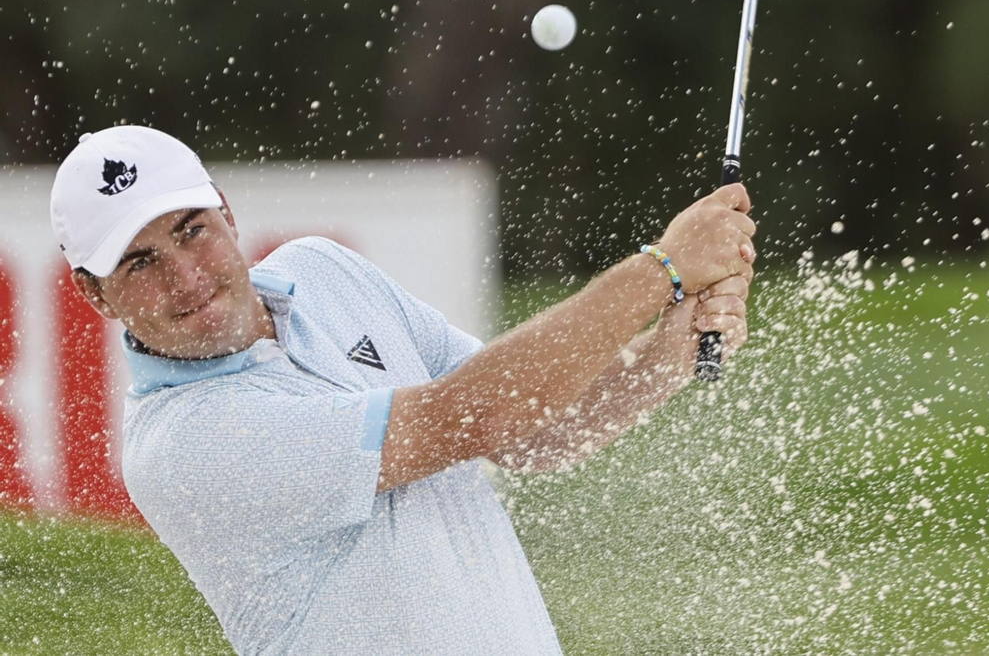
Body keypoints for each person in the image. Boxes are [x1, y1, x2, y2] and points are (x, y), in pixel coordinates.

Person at [49, 124, 756, 656]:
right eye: (141, 262)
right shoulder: (183, 445)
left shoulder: (323, 270)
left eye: (191, 231)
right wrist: (662, 268)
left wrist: (668, 354)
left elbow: (531, 433)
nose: (187, 276)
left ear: (227, 214)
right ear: (94, 294)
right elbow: (470, 417)